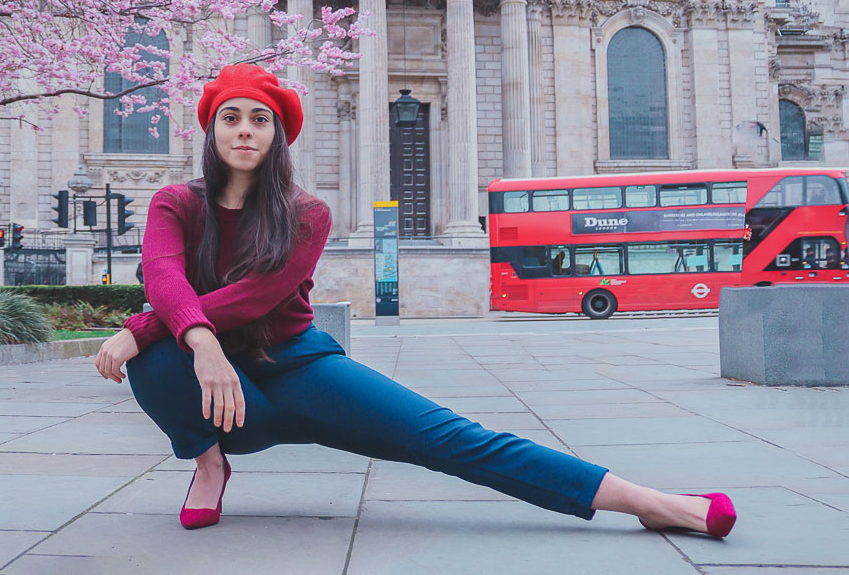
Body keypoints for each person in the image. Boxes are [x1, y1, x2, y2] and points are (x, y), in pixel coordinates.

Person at [94, 64, 736, 539]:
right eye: (230, 117)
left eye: (260, 118)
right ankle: (208, 464)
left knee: (456, 439)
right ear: (211, 129)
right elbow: (163, 274)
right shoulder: (174, 203)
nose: (244, 130)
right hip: (231, 404)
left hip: (299, 370)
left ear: (278, 136)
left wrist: (153, 326)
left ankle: (649, 502)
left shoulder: (307, 214)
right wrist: (189, 339)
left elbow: (260, 295)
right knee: (152, 360)